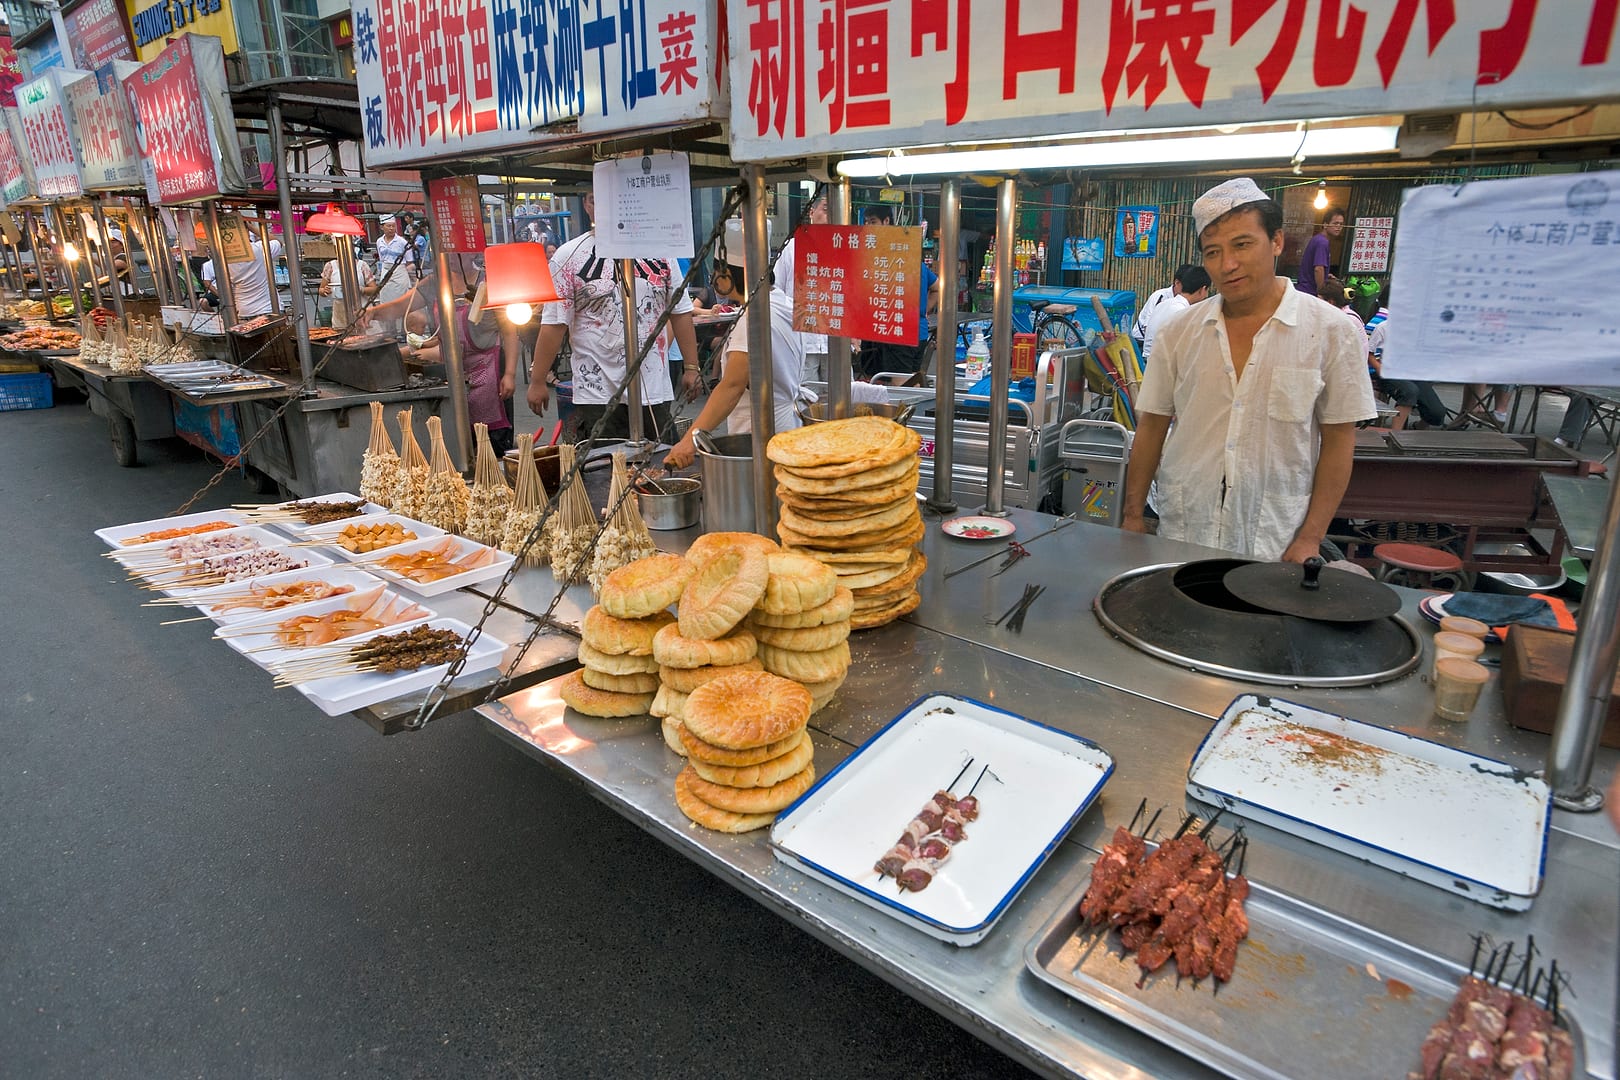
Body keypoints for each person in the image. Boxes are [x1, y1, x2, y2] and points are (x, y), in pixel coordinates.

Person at [1122, 177, 1375, 563]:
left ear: (1276, 242)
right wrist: (1132, 514)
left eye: (1242, 244)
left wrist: (1311, 537)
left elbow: (1339, 441)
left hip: (1275, 536)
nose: (1228, 265)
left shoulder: (1331, 331)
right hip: (1186, 527)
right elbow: (1152, 425)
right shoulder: (1179, 332)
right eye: (1213, 252)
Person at [526, 193, 701, 443]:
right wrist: (538, 379)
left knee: (659, 466)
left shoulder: (661, 253)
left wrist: (691, 367)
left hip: (652, 385)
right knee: (607, 468)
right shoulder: (568, 256)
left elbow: (679, 312)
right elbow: (555, 324)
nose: (608, 207)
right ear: (587, 205)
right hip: (597, 390)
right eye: (596, 200)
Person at [664, 221, 805, 469]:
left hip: (761, 432)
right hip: (785, 427)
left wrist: (689, 441)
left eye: (716, 270)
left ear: (729, 274)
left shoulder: (755, 317)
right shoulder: (781, 303)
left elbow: (732, 386)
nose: (713, 277)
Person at [400, 255, 516, 456]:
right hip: (454, 374)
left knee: (492, 444)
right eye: (446, 254)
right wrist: (373, 313)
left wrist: (510, 374)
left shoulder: (488, 283)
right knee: (461, 442)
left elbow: (509, 331)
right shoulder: (435, 283)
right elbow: (402, 306)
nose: (450, 258)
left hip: (490, 371)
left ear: (469, 252)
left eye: (455, 253)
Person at [774, 189, 829, 381]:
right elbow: (776, 293)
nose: (831, 216)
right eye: (826, 209)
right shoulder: (791, 249)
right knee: (805, 401)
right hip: (803, 341)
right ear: (811, 213)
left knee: (842, 401)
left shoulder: (846, 251)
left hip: (836, 341)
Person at [1364, 305, 1445, 431]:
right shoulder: (1383, 327)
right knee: (1409, 391)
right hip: (1387, 372)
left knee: (1437, 412)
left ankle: (1418, 427)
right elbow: (1370, 354)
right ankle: (1395, 433)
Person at [200, 231, 284, 320]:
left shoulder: (223, 257)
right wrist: (252, 227)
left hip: (244, 310)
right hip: (269, 308)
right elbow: (277, 241)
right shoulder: (258, 248)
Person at [1140, 265, 1211, 364]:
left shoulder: (1164, 304)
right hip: (1161, 364)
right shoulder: (1183, 312)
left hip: (1148, 359)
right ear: (1202, 290)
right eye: (1207, 290)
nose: (1206, 295)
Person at [1131, 264, 1203, 345]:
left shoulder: (1188, 301)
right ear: (1177, 282)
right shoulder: (1159, 296)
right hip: (1141, 342)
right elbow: (1147, 327)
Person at [1296, 208, 1345, 297]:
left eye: (1341, 224)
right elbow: (1318, 269)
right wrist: (1321, 293)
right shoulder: (1322, 242)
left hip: (1304, 290)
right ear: (1325, 225)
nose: (1338, 227)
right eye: (1335, 223)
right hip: (1309, 292)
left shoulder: (1318, 239)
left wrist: (1326, 275)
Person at [318, 254, 376, 329]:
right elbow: (321, 290)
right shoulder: (330, 266)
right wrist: (325, 291)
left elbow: (374, 289)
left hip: (362, 310)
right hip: (340, 313)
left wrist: (361, 289)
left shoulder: (362, 265)